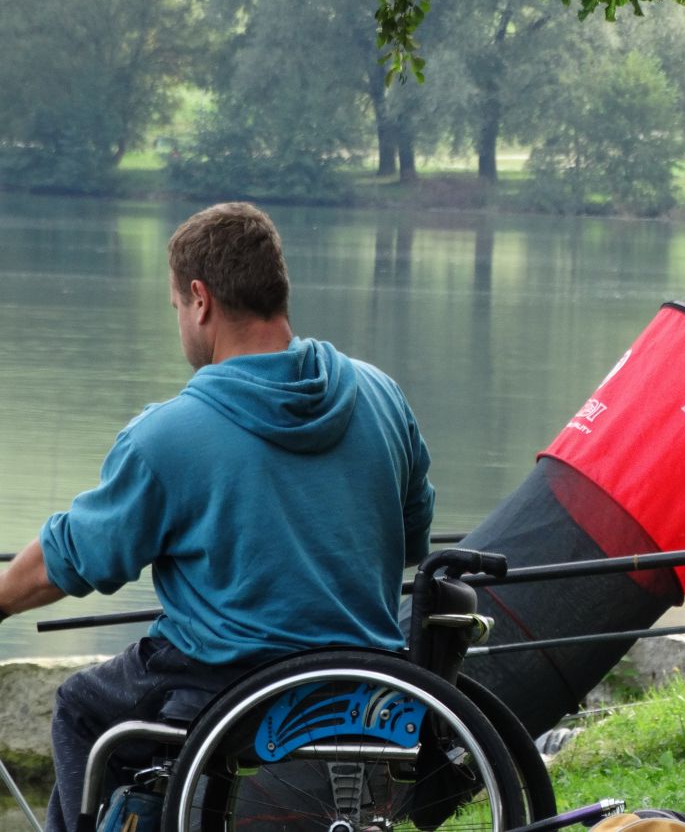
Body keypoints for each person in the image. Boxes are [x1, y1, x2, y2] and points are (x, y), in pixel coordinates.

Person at [0, 202, 435, 832]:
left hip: (227, 690)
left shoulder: (167, 436)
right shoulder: (382, 396)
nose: (179, 320)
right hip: (366, 678)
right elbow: (413, 541)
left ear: (200, 300)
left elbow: (73, 557)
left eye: (176, 305)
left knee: (81, 706)